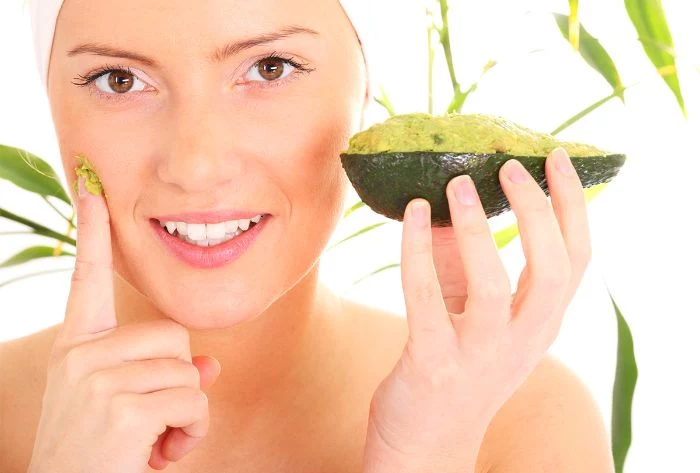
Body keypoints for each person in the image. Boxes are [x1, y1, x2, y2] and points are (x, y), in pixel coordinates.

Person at [0, 0, 615, 472]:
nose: (196, 165)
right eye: (118, 80)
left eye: (270, 68)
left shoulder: (527, 424)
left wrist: (426, 452)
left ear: (365, 92)